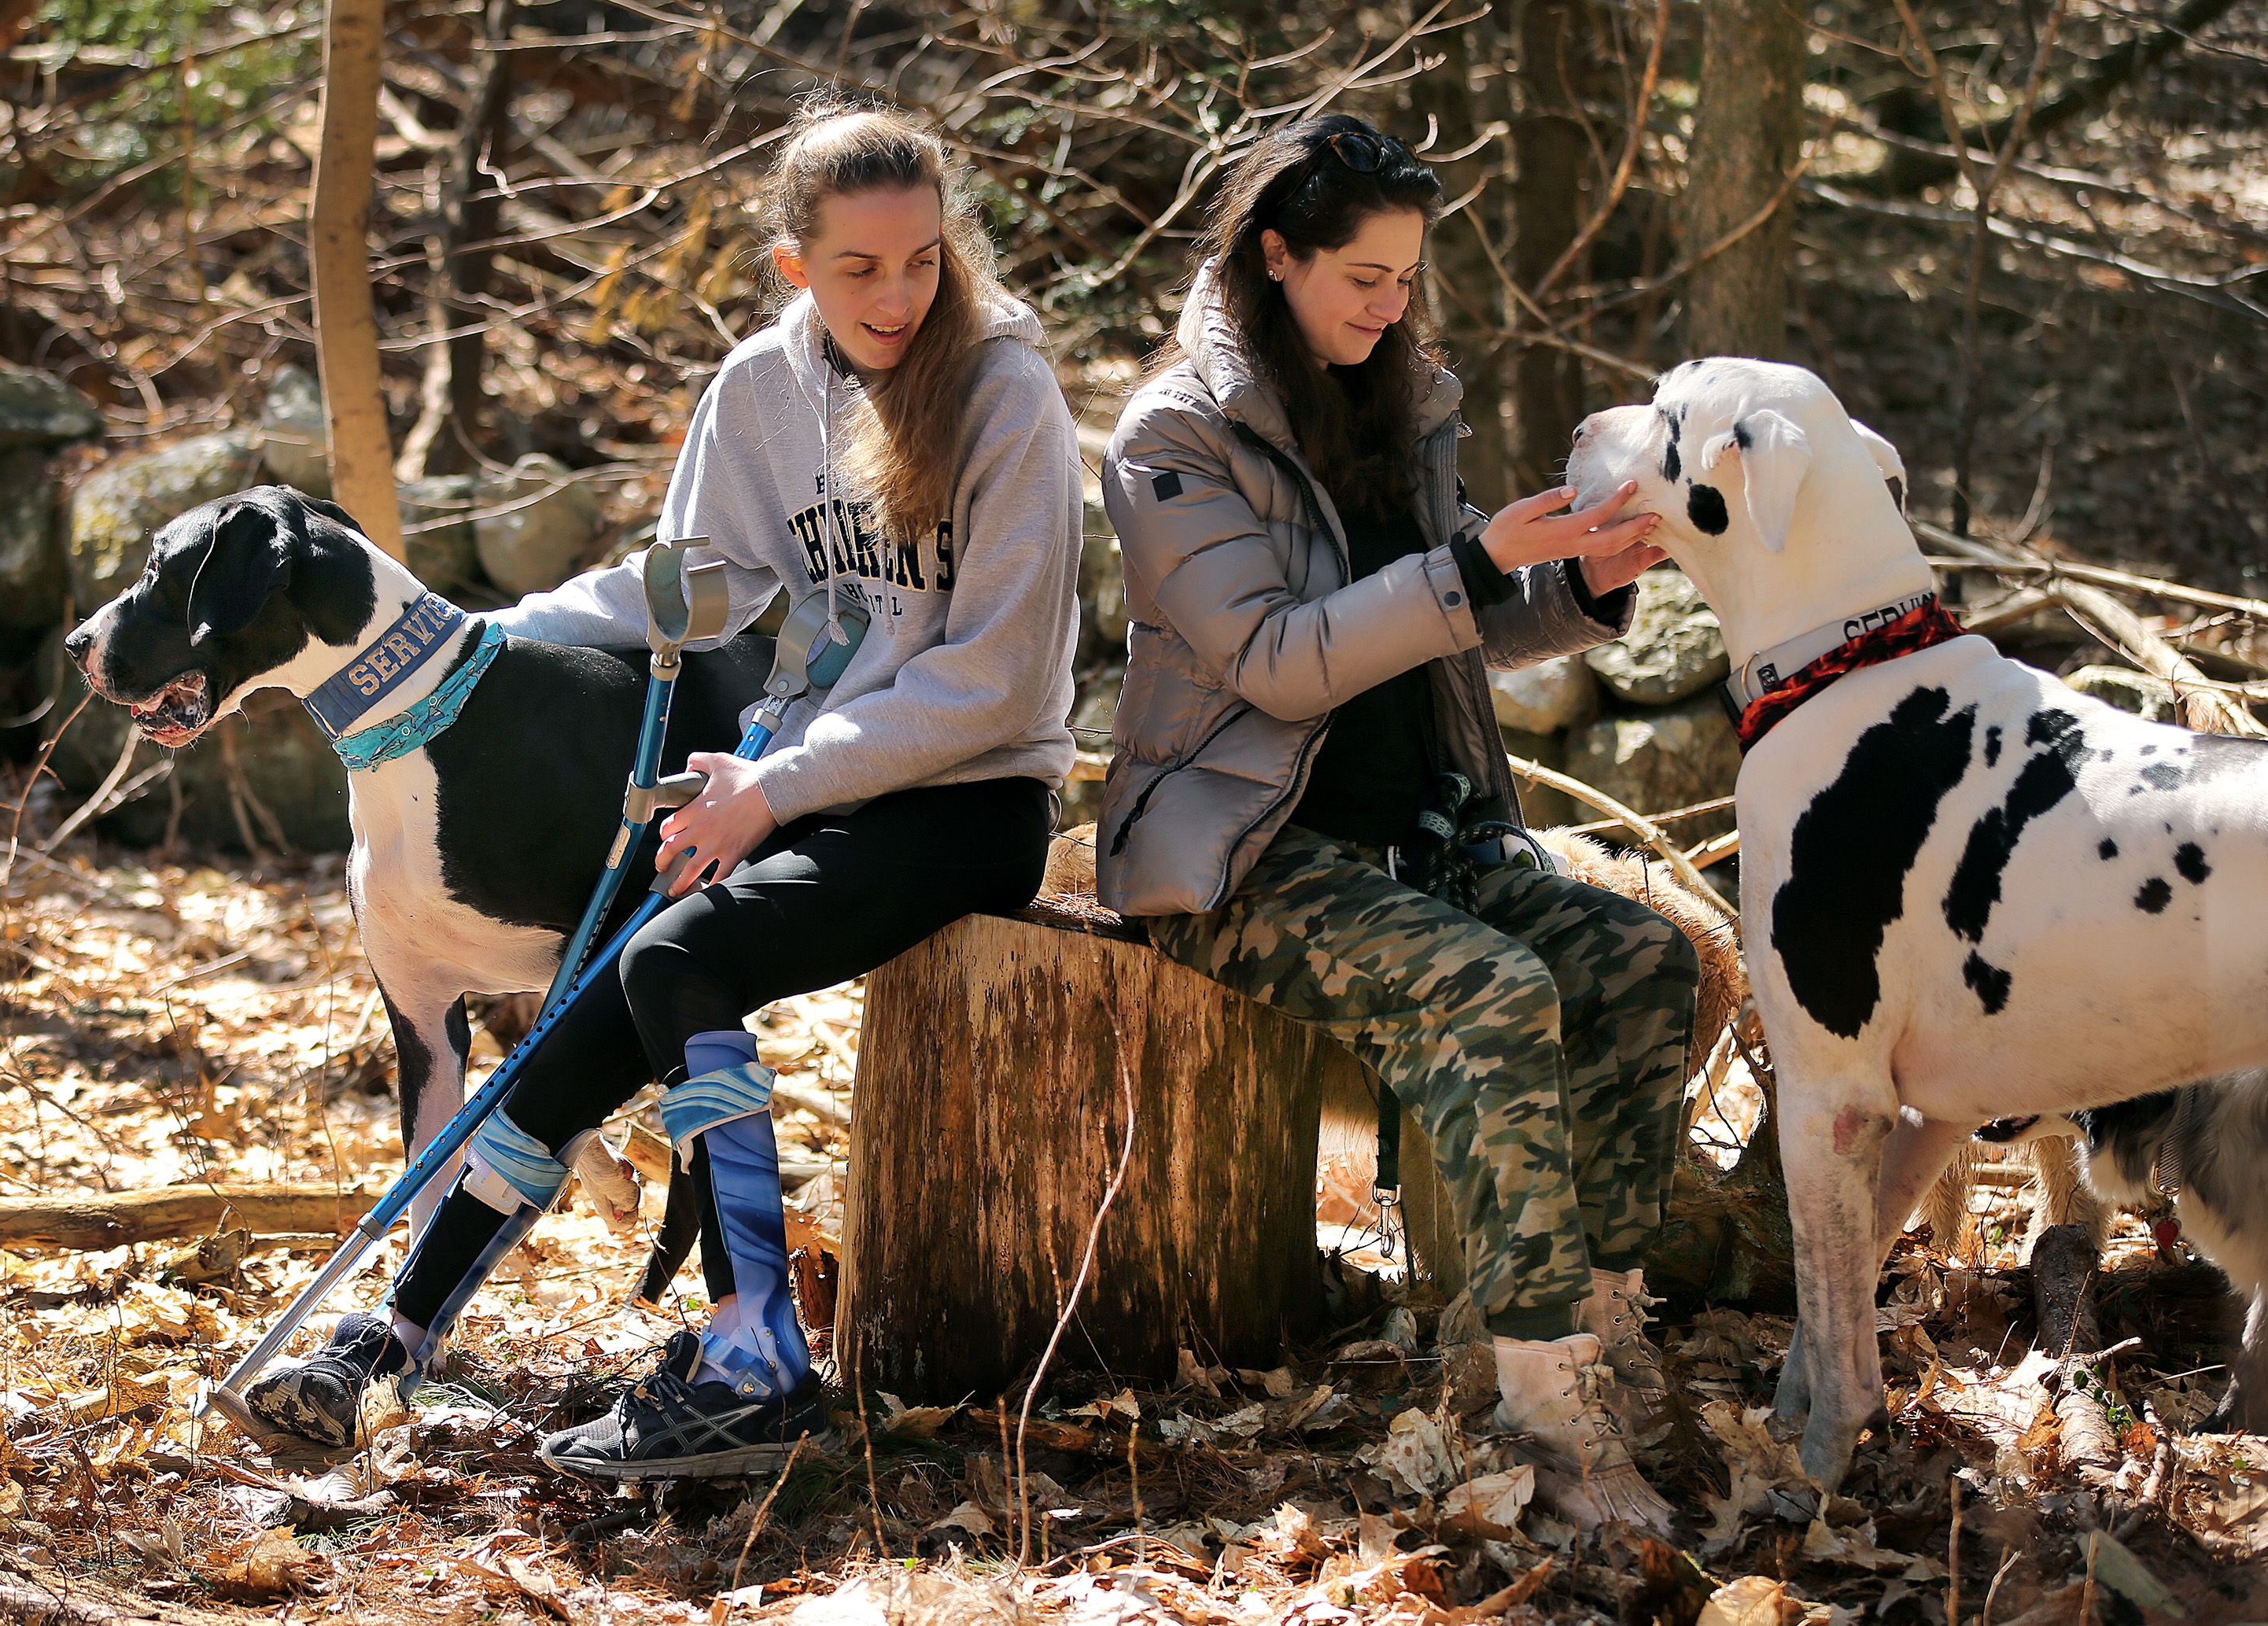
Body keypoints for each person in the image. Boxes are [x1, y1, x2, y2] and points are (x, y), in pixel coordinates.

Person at [245, 98, 1083, 1480]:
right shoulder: (765, 390)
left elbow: (992, 683)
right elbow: (680, 593)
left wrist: (775, 784)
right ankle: (390, 1341)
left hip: (969, 796)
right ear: (794, 265)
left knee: (683, 955)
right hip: (808, 783)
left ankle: (758, 1363)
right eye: (861, 267)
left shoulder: (1007, 397)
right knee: (597, 998)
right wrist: (502, 635)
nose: (898, 295)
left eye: (923, 261)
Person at [1097, 112, 1697, 1531]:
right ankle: (1549, 1417)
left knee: (1641, 963)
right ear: (1276, 255)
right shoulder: (1173, 432)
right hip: (1242, 858)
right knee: (1493, 993)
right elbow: (1277, 659)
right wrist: (1479, 558)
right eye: (1363, 276)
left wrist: (1585, 584)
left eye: (1408, 277)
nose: (1391, 304)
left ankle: (1594, 1330)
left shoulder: (1400, 397)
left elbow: (1453, 625)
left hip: (1417, 834)